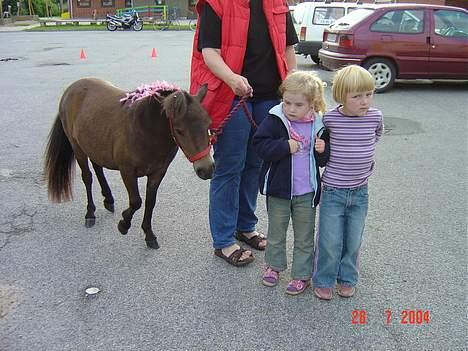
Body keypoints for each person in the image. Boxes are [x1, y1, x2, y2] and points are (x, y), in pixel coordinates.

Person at [190, 0, 298, 266]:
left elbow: (288, 48)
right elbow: (210, 52)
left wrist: (293, 80)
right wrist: (232, 79)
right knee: (230, 166)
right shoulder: (217, 4)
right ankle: (224, 240)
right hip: (232, 95)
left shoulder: (278, 4)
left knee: (255, 163)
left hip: (269, 96)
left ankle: (246, 226)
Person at [253, 71, 329, 295]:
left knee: (304, 235)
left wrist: (323, 151)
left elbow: (324, 160)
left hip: (307, 192)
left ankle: (301, 275)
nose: (291, 109)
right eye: (287, 102)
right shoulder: (275, 119)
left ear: (312, 104)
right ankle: (274, 266)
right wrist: (285, 146)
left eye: (298, 104)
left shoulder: (319, 124)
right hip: (279, 190)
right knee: (276, 232)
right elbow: (260, 146)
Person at [312, 65, 384, 300]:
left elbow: (376, 136)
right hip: (333, 190)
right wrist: (323, 149)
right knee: (330, 240)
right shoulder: (330, 119)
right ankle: (323, 279)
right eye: (357, 96)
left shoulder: (375, 117)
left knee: (353, 239)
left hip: (360, 190)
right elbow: (321, 148)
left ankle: (347, 278)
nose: (365, 101)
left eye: (368, 94)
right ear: (341, 96)